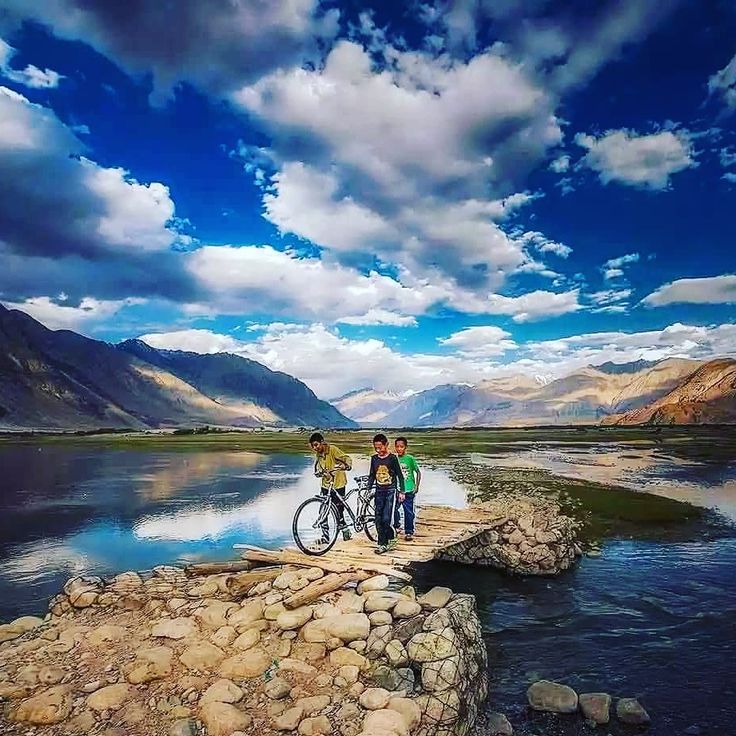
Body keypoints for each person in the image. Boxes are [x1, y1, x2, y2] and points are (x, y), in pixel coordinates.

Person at [309, 432, 353, 541]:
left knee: (339, 511)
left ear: (322, 442)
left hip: (338, 484)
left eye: (316, 445)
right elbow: (318, 468)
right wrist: (319, 473)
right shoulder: (318, 454)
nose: (315, 448)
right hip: (326, 486)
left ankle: (345, 530)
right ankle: (326, 537)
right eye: (313, 446)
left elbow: (346, 458)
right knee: (323, 510)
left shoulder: (332, 449)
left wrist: (345, 466)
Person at [366, 432, 405, 554]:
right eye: (376, 448)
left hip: (390, 491)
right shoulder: (374, 459)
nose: (378, 450)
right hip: (379, 492)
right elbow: (372, 475)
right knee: (377, 518)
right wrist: (368, 488)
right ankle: (382, 544)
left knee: (386, 518)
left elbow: (400, 476)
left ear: (386, 445)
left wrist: (402, 491)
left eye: (380, 447)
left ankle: (390, 538)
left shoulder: (392, 458)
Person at [394, 436, 421, 541]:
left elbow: (418, 472)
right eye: (397, 447)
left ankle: (409, 532)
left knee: (408, 512)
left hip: (409, 490)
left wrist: (417, 486)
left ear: (405, 447)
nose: (399, 449)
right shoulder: (394, 459)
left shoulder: (410, 459)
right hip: (398, 490)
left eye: (401, 447)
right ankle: (396, 526)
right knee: (394, 509)